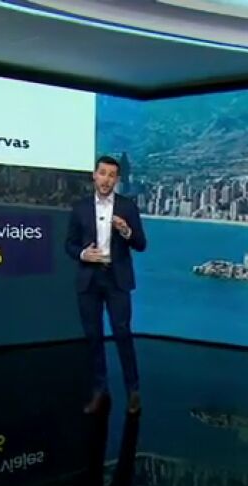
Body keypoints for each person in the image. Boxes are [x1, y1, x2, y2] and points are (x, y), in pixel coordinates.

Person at [65, 155, 147, 414]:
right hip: (89, 279)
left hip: (116, 279)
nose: (106, 179)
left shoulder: (127, 207)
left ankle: (133, 391)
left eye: (112, 175)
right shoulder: (80, 208)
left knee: (122, 334)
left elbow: (141, 244)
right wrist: (83, 254)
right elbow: (69, 244)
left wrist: (126, 231)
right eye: (102, 173)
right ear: (94, 175)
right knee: (93, 337)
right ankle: (100, 390)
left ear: (117, 179)